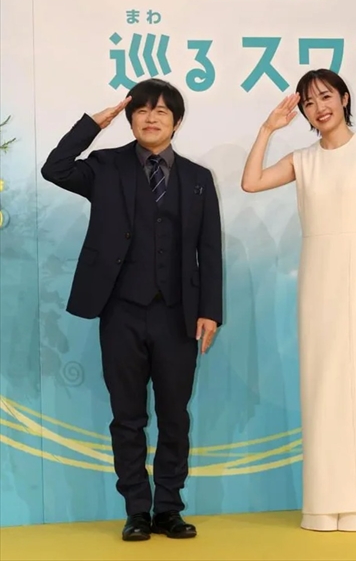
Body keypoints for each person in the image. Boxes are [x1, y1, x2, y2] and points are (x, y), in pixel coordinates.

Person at [41, 78, 223, 541]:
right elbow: (54, 168)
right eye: (141, 109)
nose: (151, 117)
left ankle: (169, 508)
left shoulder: (198, 179)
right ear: (129, 118)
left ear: (176, 122)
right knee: (127, 417)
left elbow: (209, 249)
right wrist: (93, 124)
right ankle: (137, 511)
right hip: (120, 310)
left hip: (178, 314)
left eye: (162, 111)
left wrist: (210, 310)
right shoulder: (105, 167)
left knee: (175, 416)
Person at [241, 68, 356, 532]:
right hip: (319, 274)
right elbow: (251, 182)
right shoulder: (302, 160)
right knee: (323, 384)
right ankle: (324, 505)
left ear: (344, 98)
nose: (319, 108)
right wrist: (268, 128)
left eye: (326, 97)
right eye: (309, 102)